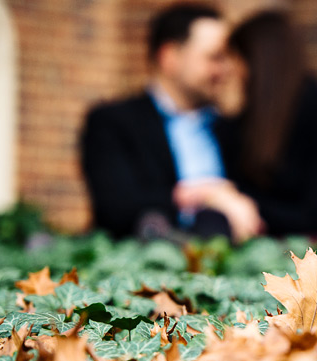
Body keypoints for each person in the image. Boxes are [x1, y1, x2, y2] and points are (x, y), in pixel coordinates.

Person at [80, 2, 263, 242]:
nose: (226, 69)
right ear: (170, 58)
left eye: (228, 58)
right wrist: (204, 194)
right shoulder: (113, 122)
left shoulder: (232, 129)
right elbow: (116, 207)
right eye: (215, 57)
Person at [217, 10, 317, 246]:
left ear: (256, 63)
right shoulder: (236, 129)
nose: (226, 71)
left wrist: (240, 202)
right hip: (267, 256)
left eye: (232, 59)